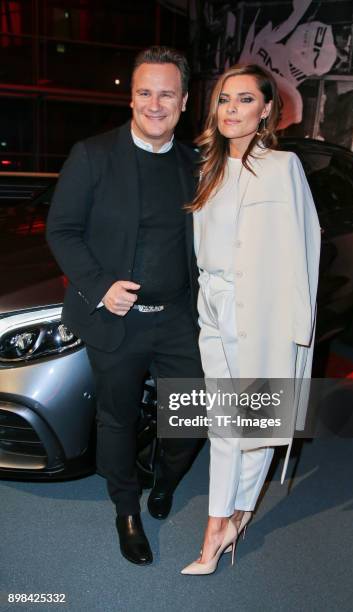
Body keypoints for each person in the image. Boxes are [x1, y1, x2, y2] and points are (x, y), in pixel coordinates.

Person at [46, 46, 203, 566]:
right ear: (131, 97)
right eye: (144, 92)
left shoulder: (197, 163)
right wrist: (98, 285)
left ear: (183, 101)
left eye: (166, 93)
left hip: (180, 317)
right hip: (115, 320)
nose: (154, 104)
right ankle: (126, 508)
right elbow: (62, 231)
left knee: (189, 416)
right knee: (116, 419)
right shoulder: (93, 155)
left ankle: (164, 480)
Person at [181, 64, 320, 575]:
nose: (231, 110)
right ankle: (227, 519)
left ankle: (221, 525)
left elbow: (307, 248)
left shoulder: (283, 167)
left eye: (244, 100)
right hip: (213, 308)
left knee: (255, 423)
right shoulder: (207, 169)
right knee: (224, 424)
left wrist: (295, 329)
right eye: (223, 100)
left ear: (266, 110)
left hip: (262, 310)